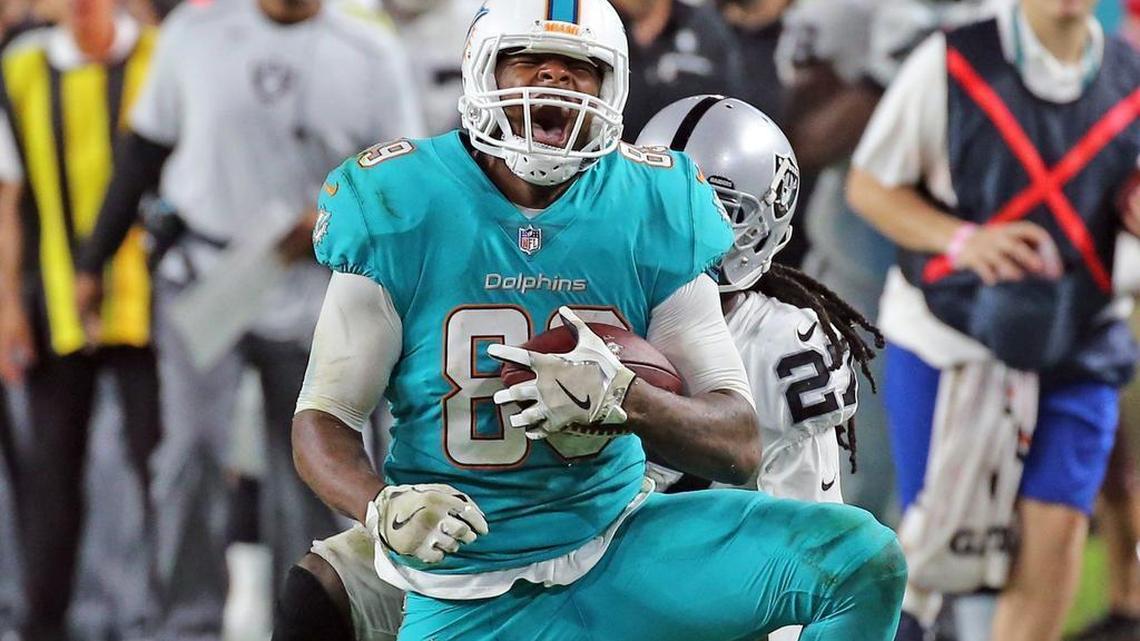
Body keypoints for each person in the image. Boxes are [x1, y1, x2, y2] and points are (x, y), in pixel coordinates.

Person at [278, 1, 907, 640]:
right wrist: (379, 506)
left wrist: (624, 399)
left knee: (862, 559)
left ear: (616, 86)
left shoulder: (653, 202)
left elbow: (738, 443)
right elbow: (325, 417)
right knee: (321, 585)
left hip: (618, 539)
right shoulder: (400, 201)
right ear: (480, 70)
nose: (554, 78)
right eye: (528, 60)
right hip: (468, 579)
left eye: (580, 66)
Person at [72, 0, 425, 638]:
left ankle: (305, 623)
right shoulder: (194, 33)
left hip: (316, 292)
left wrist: (328, 219)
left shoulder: (369, 52)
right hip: (208, 279)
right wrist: (93, 261)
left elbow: (402, 185)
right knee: (190, 455)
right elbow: (143, 154)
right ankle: (188, 623)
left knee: (315, 465)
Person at [847, 0, 1140, 638]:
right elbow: (869, 186)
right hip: (952, 337)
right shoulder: (953, 60)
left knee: (1056, 535)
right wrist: (960, 240)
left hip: (1080, 337)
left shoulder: (1129, 75)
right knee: (937, 545)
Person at [635, 95, 887, 641]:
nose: (683, 230)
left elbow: (808, 542)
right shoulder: (599, 301)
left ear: (762, 222)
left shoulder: (783, 345)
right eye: (661, 204)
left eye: (711, 210)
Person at [0, 0, 162, 637]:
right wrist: (9, 304)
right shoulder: (21, 69)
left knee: (164, 465)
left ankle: (169, 617)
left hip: (150, 302)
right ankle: (44, 622)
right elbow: (8, 195)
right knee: (52, 472)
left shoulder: (159, 55)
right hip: (56, 302)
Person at [609, 0, 746, 140]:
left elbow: (728, 108)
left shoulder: (706, 30)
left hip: (686, 153)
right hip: (613, 151)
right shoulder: (602, 26)